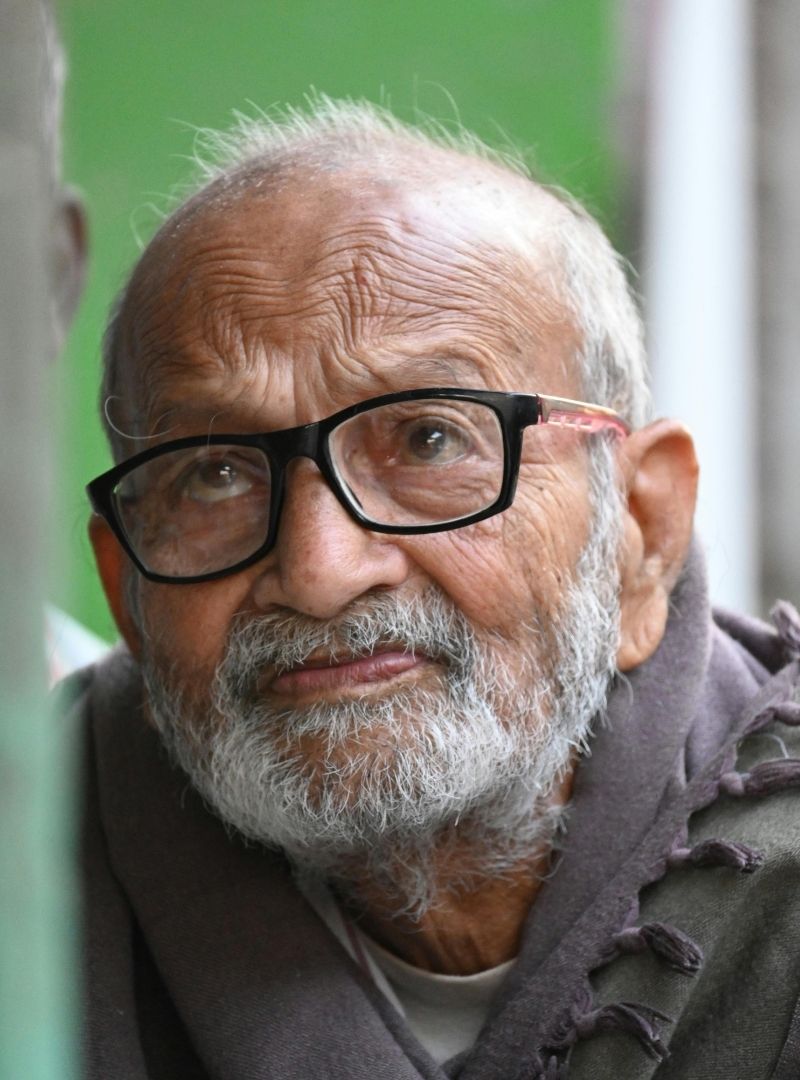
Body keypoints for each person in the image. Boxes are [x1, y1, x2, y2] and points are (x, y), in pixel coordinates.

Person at [65, 99, 800, 1080]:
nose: (321, 572)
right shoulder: (33, 877)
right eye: (217, 473)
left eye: (428, 439)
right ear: (129, 599)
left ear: (639, 530)